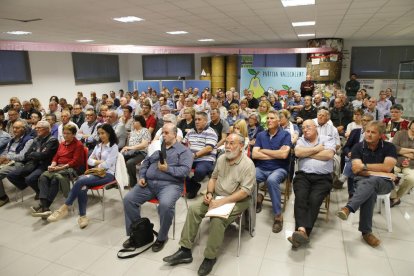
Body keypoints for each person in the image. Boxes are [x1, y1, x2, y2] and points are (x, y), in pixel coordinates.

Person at [163, 133, 256, 275]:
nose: (228, 147)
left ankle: (209, 258)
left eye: (232, 144)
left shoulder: (248, 165)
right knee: (194, 209)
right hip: (217, 196)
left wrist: (221, 202)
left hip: (237, 199)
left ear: (241, 146)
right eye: (226, 143)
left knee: (218, 219)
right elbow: (213, 178)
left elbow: (244, 192)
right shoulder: (222, 158)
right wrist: (210, 194)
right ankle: (185, 250)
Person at [122, 123, 192, 252]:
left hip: (170, 185)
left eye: (166, 133)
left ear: (175, 135)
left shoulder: (184, 151)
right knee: (128, 200)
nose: (163, 135)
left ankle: (162, 237)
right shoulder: (159, 148)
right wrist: (142, 176)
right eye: (162, 133)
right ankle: (140, 232)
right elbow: (146, 163)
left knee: (165, 205)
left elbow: (185, 171)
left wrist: (168, 169)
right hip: (149, 183)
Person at [337, 121, 397, 247]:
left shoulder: (389, 147)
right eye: (367, 131)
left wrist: (364, 167)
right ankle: (366, 233)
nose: (368, 135)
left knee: (372, 182)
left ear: (381, 135)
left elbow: (387, 167)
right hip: (363, 181)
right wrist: (381, 171)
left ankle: (349, 207)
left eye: (373, 132)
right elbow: (355, 170)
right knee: (370, 189)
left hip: (384, 183)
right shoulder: (358, 147)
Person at [47, 124, 119, 229]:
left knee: (80, 180)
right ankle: (83, 216)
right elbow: (89, 160)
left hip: (108, 174)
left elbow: (108, 165)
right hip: (95, 172)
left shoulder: (114, 146)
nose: (101, 136)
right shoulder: (98, 146)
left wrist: (97, 163)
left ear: (109, 133)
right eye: (99, 133)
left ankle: (64, 207)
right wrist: (99, 162)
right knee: (82, 186)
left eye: (103, 133)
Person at [287, 119, 336, 248]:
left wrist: (308, 152)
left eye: (308, 127)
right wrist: (318, 149)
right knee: (301, 196)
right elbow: (298, 153)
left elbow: (329, 155)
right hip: (303, 176)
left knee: (314, 199)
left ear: (316, 128)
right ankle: (303, 231)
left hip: (323, 178)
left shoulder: (327, 138)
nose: (305, 130)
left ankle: (300, 232)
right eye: (303, 128)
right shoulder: (301, 140)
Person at [32, 124, 85, 218]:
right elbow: (56, 157)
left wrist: (60, 168)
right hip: (58, 167)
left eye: (68, 134)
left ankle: (44, 206)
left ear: (74, 134)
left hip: (71, 169)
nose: (65, 135)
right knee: (43, 177)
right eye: (64, 133)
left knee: (55, 179)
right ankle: (45, 208)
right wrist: (52, 165)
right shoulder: (62, 144)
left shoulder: (78, 145)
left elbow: (76, 161)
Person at [253, 110, 291, 233]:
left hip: (279, 168)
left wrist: (263, 151)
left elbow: (284, 155)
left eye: (272, 118)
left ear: (279, 121)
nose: (268, 120)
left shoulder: (285, 135)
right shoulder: (260, 135)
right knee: (248, 177)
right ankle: (252, 203)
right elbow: (254, 154)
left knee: (272, 180)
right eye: (267, 118)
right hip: (261, 167)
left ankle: (278, 216)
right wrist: (276, 154)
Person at [7, 121, 59, 200]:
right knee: (11, 175)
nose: (36, 130)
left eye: (39, 128)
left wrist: (34, 154)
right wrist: (35, 154)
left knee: (30, 179)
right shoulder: (36, 139)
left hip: (45, 164)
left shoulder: (52, 140)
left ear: (46, 129)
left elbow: (44, 155)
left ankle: (39, 191)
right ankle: (34, 187)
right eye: (36, 128)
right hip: (33, 163)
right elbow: (26, 155)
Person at [183, 112, 218, 199]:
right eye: (195, 119)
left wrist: (194, 155)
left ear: (206, 121)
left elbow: (209, 148)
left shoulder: (211, 132)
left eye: (199, 119)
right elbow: (184, 143)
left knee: (200, 171)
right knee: (180, 168)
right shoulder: (191, 131)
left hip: (206, 159)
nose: (196, 122)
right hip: (191, 157)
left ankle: (193, 185)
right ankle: (193, 186)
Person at [341, 114, 374, 198]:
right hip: (353, 157)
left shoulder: (374, 134)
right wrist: (348, 152)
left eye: (368, 120)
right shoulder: (355, 131)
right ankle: (352, 193)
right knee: (353, 159)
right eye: (363, 120)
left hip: (368, 157)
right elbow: (346, 147)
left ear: (372, 122)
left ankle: (344, 176)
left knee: (353, 160)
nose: (365, 122)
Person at [0, 121, 32, 206]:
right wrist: (2, 158)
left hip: (19, 163)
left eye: (17, 128)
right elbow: (6, 151)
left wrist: (8, 158)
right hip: (8, 161)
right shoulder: (12, 139)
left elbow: (22, 156)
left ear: (23, 129)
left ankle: (3, 197)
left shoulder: (29, 140)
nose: (14, 130)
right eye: (13, 127)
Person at [121, 115, 151, 188]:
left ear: (139, 122)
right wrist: (124, 149)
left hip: (141, 152)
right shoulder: (132, 132)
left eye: (134, 121)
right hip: (131, 152)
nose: (132, 123)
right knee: (118, 159)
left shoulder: (145, 131)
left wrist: (130, 148)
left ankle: (133, 183)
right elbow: (128, 144)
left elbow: (144, 145)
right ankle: (120, 182)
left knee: (130, 163)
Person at [390, 121, 414, 207]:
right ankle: (393, 196)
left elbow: (398, 149)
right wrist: (411, 151)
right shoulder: (400, 134)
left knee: (412, 179)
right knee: (388, 174)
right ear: (410, 124)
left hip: (411, 165)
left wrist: (401, 151)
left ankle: (396, 197)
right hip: (396, 162)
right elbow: (393, 148)